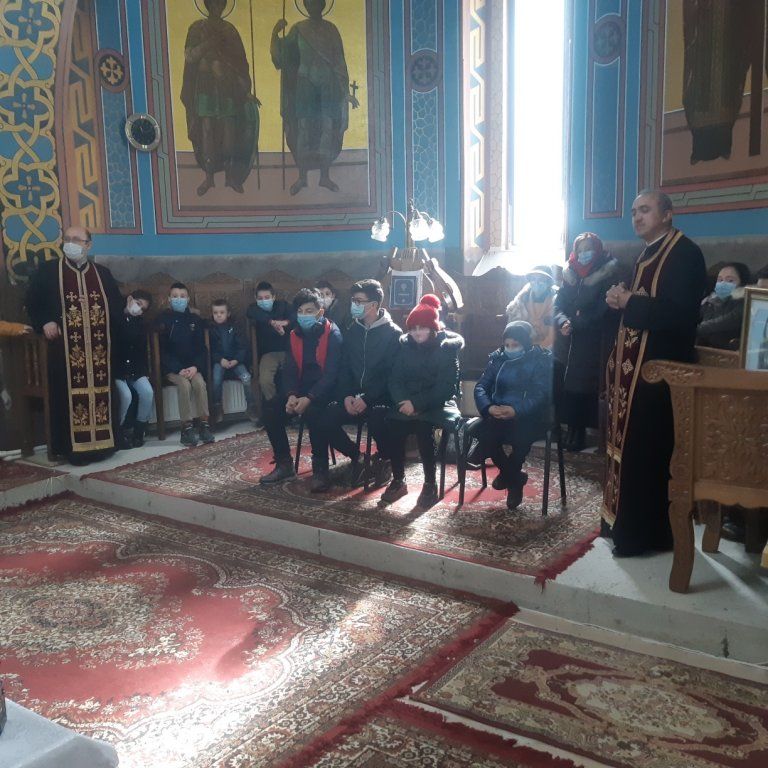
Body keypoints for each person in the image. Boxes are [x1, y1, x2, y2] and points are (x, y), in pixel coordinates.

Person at [603, 190, 707, 557]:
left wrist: (629, 301)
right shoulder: (647, 253)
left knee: (648, 452)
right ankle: (622, 526)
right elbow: (645, 307)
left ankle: (644, 537)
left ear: (667, 214)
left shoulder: (685, 253)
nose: (636, 217)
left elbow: (680, 316)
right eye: (633, 211)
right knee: (631, 450)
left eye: (645, 210)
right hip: (635, 376)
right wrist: (620, 299)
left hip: (661, 375)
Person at [26, 226, 122, 464]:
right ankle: (72, 449)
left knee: (103, 394)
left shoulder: (102, 274)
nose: (70, 243)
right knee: (66, 396)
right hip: (63, 351)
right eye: (67, 239)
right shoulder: (49, 271)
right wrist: (45, 321)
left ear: (88, 244)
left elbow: (116, 308)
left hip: (99, 352)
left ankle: (103, 445)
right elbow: (32, 302)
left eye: (76, 239)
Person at [314, 279, 400, 491]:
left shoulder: (393, 334)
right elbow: (344, 368)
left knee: (379, 420)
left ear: (374, 304)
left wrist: (368, 398)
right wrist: (346, 395)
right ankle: (359, 458)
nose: (355, 305)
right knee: (324, 419)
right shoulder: (351, 330)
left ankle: (386, 460)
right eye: (353, 300)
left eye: (359, 301)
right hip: (352, 396)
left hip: (380, 398)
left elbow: (390, 374)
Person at [382, 295, 464, 508]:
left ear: (433, 328)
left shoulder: (447, 348)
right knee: (392, 425)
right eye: (413, 328)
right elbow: (394, 378)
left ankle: (430, 483)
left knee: (423, 428)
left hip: (437, 404)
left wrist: (417, 404)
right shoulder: (405, 346)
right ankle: (398, 479)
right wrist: (402, 401)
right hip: (407, 403)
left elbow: (446, 387)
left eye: (423, 327)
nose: (417, 332)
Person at [270, 0, 359, 195]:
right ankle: (302, 177)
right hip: (304, 87)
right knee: (303, 130)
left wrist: (345, 92)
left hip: (328, 87)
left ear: (322, 4)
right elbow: (284, 57)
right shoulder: (298, 30)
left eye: (316, 2)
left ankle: (324, 176)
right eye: (309, 3)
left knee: (327, 129)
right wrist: (275, 34)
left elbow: (339, 62)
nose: (312, 6)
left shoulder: (331, 30)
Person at [259, 288, 342, 489]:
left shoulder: (333, 334)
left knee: (314, 414)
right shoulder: (294, 335)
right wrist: (291, 395)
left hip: (326, 392)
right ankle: (284, 464)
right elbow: (289, 369)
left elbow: (331, 375)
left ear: (320, 312)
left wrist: (310, 397)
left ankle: (320, 468)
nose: (304, 315)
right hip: (301, 390)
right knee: (270, 410)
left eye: (309, 311)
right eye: (300, 311)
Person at [471, 321, 552, 510]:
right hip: (498, 413)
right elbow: (481, 386)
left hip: (528, 416)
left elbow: (540, 394)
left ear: (525, 344)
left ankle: (509, 476)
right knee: (485, 435)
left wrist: (516, 410)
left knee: (521, 437)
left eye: (515, 345)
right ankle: (515, 478)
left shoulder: (538, 361)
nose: (510, 349)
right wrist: (488, 407)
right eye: (507, 345)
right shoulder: (497, 359)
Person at [181, 0, 258, 196]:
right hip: (205, 86)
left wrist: (244, 90)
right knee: (207, 131)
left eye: (220, 4)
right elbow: (190, 56)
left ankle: (230, 177)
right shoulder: (197, 28)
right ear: (208, 5)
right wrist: (209, 43)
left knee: (229, 132)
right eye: (214, 3)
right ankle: (209, 178)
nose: (218, 7)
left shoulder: (230, 30)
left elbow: (240, 63)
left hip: (227, 88)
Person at [554, 233, 621, 451]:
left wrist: (576, 322)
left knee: (586, 385)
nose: (584, 254)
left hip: (595, 338)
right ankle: (571, 428)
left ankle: (583, 432)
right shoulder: (570, 273)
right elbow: (558, 304)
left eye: (588, 249)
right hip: (569, 337)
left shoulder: (607, 272)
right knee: (568, 384)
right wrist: (563, 321)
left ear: (597, 250)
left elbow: (604, 307)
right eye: (580, 250)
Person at [155, 282, 215, 447]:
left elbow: (202, 348)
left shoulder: (194, 319)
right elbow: (162, 350)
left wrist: (195, 367)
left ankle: (204, 424)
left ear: (188, 299)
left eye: (182, 296)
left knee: (199, 383)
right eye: (175, 296)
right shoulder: (163, 319)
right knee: (184, 385)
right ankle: (186, 427)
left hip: (192, 367)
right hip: (173, 369)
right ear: (169, 298)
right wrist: (177, 369)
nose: (179, 299)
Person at [114, 291, 154, 450]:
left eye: (143, 309)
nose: (139, 309)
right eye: (138, 304)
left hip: (135, 369)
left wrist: (144, 372)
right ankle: (118, 431)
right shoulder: (114, 318)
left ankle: (139, 431)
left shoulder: (140, 324)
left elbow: (142, 351)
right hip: (117, 370)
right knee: (126, 395)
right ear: (130, 299)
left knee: (147, 392)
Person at [209, 298, 257, 425]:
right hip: (220, 361)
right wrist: (220, 360)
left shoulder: (235, 327)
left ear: (228, 313)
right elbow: (210, 349)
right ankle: (217, 406)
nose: (219, 315)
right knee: (216, 378)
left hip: (236, 361)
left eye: (222, 312)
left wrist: (236, 359)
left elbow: (243, 346)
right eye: (215, 313)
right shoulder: (210, 329)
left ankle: (251, 405)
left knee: (246, 377)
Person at [247, 281, 293, 405]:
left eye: (267, 297)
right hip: (268, 354)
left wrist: (285, 323)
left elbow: (295, 316)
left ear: (273, 297)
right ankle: (274, 406)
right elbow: (251, 312)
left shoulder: (283, 306)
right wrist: (272, 323)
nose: (264, 301)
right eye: (260, 298)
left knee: (294, 377)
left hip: (288, 351)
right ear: (256, 299)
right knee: (265, 380)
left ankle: (293, 407)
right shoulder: (254, 309)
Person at [696, 262, 751, 350]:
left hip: (728, 353)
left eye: (730, 280)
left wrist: (691, 329)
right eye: (720, 280)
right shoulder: (710, 301)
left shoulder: (745, 304)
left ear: (742, 283)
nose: (723, 283)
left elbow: (721, 323)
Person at [505, 266, 557, 349]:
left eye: (541, 279)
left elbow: (552, 336)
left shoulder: (555, 301)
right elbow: (513, 331)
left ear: (548, 282)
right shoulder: (521, 300)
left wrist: (539, 351)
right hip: (524, 344)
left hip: (548, 346)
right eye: (533, 279)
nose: (536, 282)